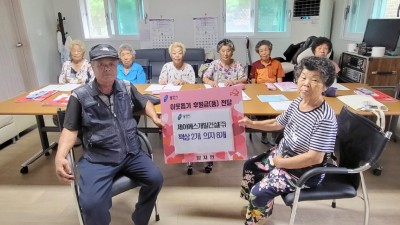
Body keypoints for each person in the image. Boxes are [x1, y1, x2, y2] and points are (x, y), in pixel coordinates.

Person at [55, 44, 164, 225]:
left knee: (156, 179)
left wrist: (154, 118)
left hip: (131, 153)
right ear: (92, 66)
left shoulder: (126, 87)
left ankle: (140, 219)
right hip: (99, 158)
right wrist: (59, 156)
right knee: (91, 205)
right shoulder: (79, 96)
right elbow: (70, 129)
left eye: (111, 64)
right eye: (101, 64)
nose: (107, 69)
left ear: (117, 66)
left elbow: (144, 102)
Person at [238, 56, 338, 225]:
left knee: (258, 191)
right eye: (303, 77)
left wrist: (281, 163)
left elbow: (315, 158)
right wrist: (252, 123)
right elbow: (278, 122)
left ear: (325, 86)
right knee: (250, 166)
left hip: (303, 171)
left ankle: (257, 211)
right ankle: (258, 208)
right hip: (283, 155)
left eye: (315, 80)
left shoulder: (325, 118)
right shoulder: (298, 101)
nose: (306, 83)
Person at [250, 40, 285, 145]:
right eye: (261, 51)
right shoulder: (255, 65)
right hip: (260, 93)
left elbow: (279, 80)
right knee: (263, 115)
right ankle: (264, 134)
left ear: (270, 51)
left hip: (274, 93)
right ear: (258, 53)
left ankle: (274, 136)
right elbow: (253, 82)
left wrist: (280, 92)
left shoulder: (277, 63)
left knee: (276, 115)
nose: (264, 52)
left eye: (266, 50)